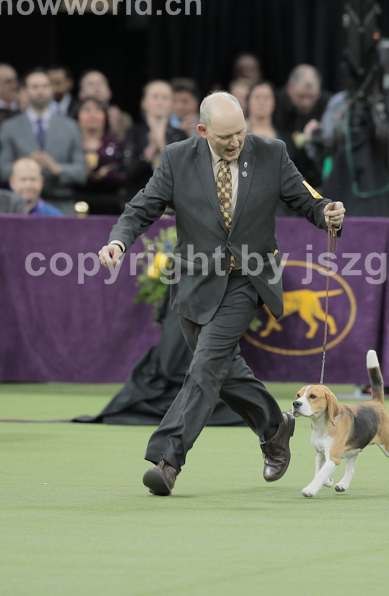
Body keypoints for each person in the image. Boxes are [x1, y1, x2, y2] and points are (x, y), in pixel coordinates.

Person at [97, 91, 346, 496]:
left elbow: (308, 199)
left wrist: (328, 212)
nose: (235, 142)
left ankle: (168, 459)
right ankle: (275, 426)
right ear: (202, 130)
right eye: (225, 136)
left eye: (240, 132)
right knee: (221, 369)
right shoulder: (177, 158)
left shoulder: (271, 153)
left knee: (206, 363)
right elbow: (142, 207)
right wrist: (118, 241)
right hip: (194, 282)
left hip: (247, 279)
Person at [0, 68, 86, 214]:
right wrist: (27, 166)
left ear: (52, 89)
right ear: (25, 91)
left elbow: (81, 172)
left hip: (62, 205)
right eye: (35, 86)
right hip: (20, 207)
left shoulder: (70, 126)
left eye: (45, 86)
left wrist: (57, 168)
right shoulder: (9, 127)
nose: (40, 91)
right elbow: (3, 171)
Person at [122, 80, 186, 201]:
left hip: (171, 201)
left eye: (165, 98)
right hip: (138, 200)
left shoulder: (180, 135)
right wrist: (150, 151)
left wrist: (163, 150)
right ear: (144, 103)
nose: (160, 102)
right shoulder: (134, 133)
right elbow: (128, 172)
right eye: (155, 97)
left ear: (172, 104)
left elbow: (184, 174)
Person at [79, 69, 132, 142]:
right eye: (91, 84)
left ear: (109, 92)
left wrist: (115, 128)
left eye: (101, 83)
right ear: (81, 93)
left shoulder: (123, 119)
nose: (97, 87)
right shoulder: (72, 119)